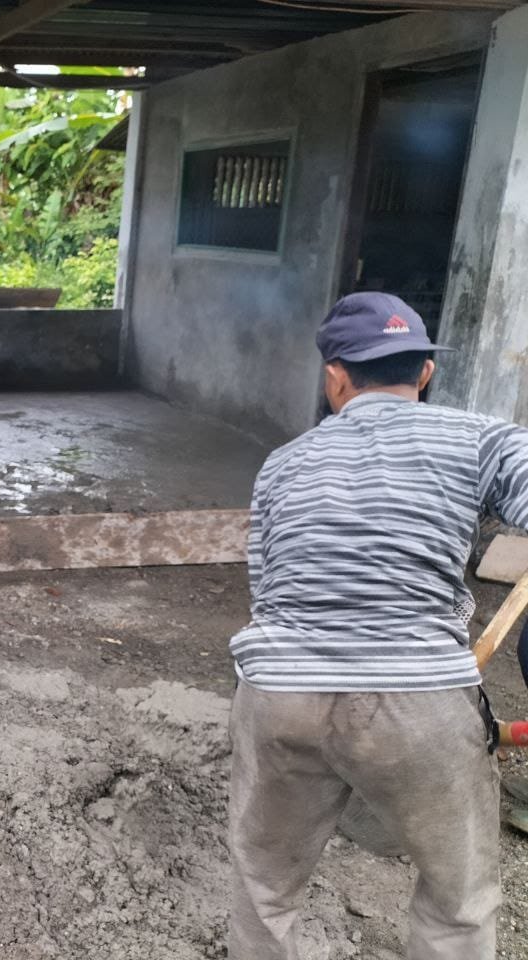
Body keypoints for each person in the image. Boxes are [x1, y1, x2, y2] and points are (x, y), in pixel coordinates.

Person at [228, 292, 521, 959]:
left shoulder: (282, 464)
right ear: (424, 374)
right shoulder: (477, 438)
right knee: (458, 901)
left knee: (264, 888)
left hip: (281, 692)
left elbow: (268, 593)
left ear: (335, 377)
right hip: (417, 702)